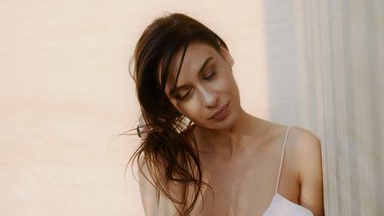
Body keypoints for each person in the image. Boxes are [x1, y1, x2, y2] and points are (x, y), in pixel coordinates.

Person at [129, 13, 324, 216]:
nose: (209, 99)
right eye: (186, 94)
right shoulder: (162, 165)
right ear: (171, 104)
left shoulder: (299, 149)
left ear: (225, 54)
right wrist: (171, 183)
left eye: (210, 74)